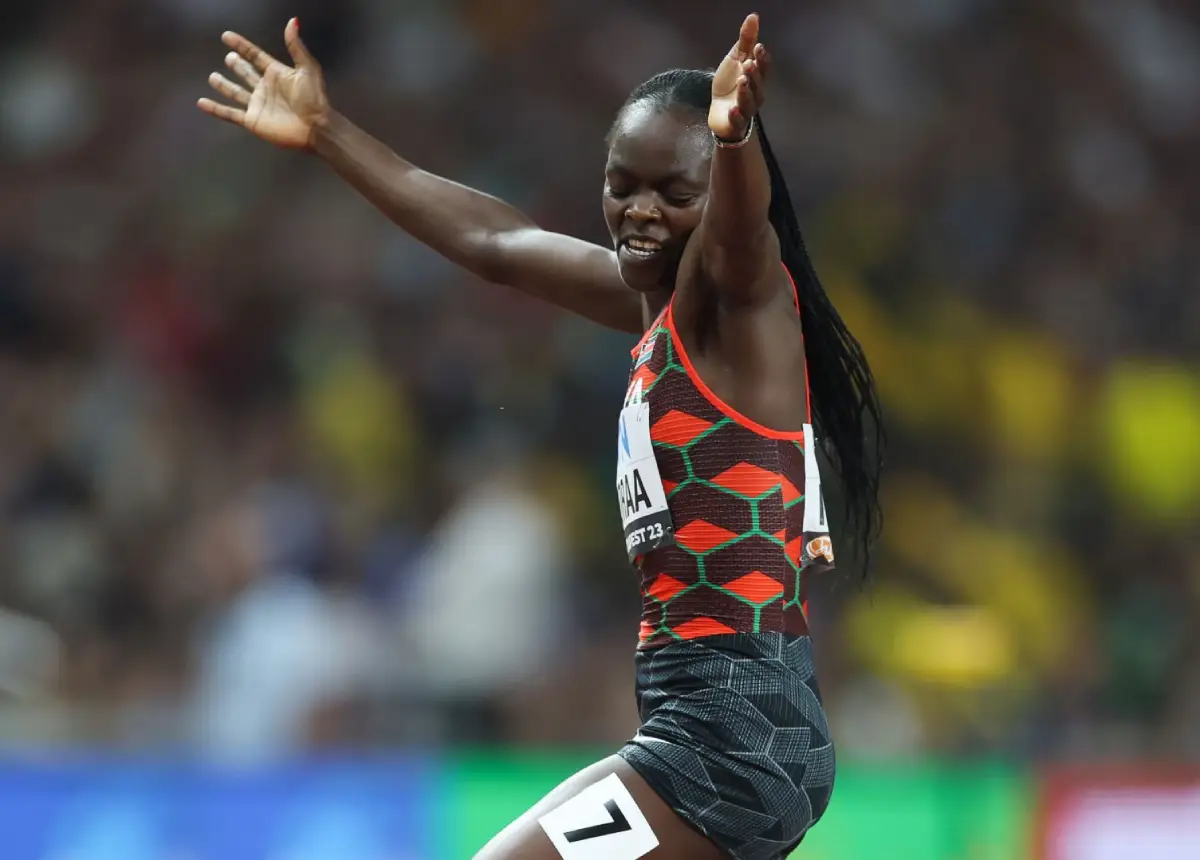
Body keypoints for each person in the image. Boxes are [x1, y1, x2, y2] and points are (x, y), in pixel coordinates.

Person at [198, 13, 883, 860]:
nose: (638, 212)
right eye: (621, 184)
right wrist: (328, 132)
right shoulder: (658, 308)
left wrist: (735, 142)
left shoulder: (740, 306)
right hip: (726, 725)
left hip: (729, 739)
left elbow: (742, 239)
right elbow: (496, 241)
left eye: (676, 194)